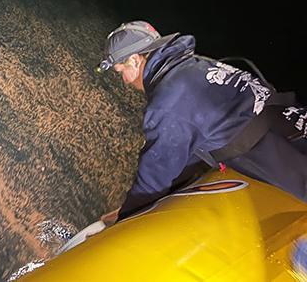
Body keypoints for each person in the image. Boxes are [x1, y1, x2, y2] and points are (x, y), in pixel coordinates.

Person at [96, 20, 307, 222]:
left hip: (279, 150)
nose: (125, 81)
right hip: (291, 121)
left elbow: (154, 176)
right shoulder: (194, 66)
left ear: (134, 60)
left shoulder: (168, 104)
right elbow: (186, 150)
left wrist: (125, 218)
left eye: (121, 72)